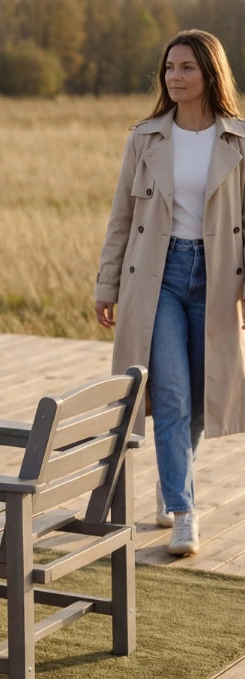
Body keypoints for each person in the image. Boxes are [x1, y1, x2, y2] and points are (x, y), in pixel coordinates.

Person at [94, 29, 245, 558]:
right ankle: (185, 512)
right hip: (156, 277)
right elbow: (121, 219)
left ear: (210, 74)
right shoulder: (146, 138)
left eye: (186, 68)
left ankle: (169, 480)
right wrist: (106, 283)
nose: (174, 78)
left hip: (218, 278)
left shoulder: (238, 141)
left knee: (204, 396)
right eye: (168, 68)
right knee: (173, 395)